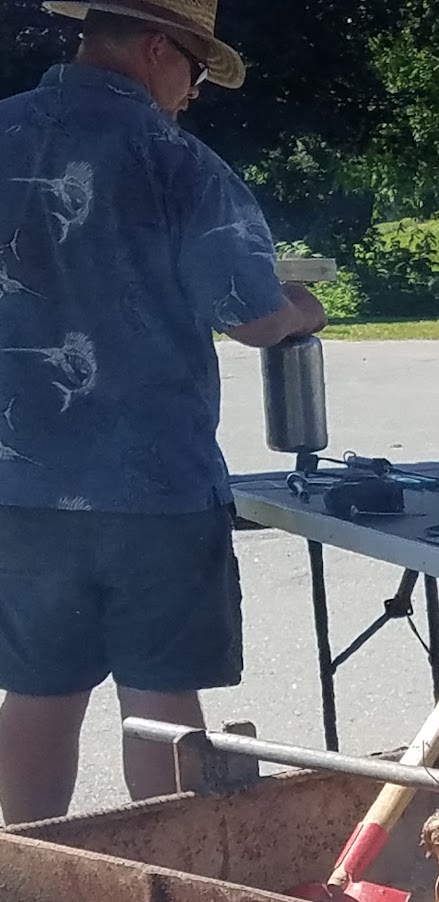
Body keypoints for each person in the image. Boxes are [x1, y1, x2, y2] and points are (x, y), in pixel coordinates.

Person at [0, 1, 327, 825]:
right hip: (154, 490)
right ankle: (175, 891)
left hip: (19, 485)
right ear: (157, 49)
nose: (192, 95)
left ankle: (28, 885)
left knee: (37, 690)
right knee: (159, 700)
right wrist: (300, 311)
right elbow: (251, 316)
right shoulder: (176, 161)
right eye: (193, 72)